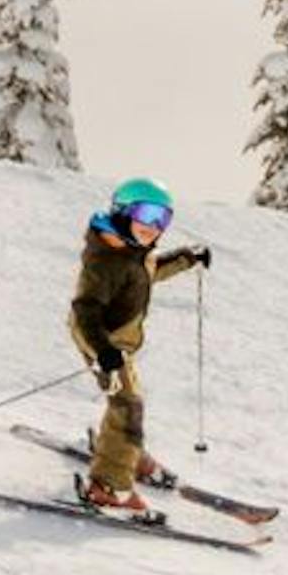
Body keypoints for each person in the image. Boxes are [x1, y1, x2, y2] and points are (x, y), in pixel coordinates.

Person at [65, 177, 210, 513]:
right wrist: (102, 351)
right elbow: (84, 310)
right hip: (100, 338)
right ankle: (108, 487)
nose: (153, 226)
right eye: (147, 215)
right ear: (123, 211)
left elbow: (149, 271)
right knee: (127, 404)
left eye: (163, 219)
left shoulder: (133, 251)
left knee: (128, 400)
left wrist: (188, 258)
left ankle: (124, 451)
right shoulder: (106, 260)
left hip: (117, 343)